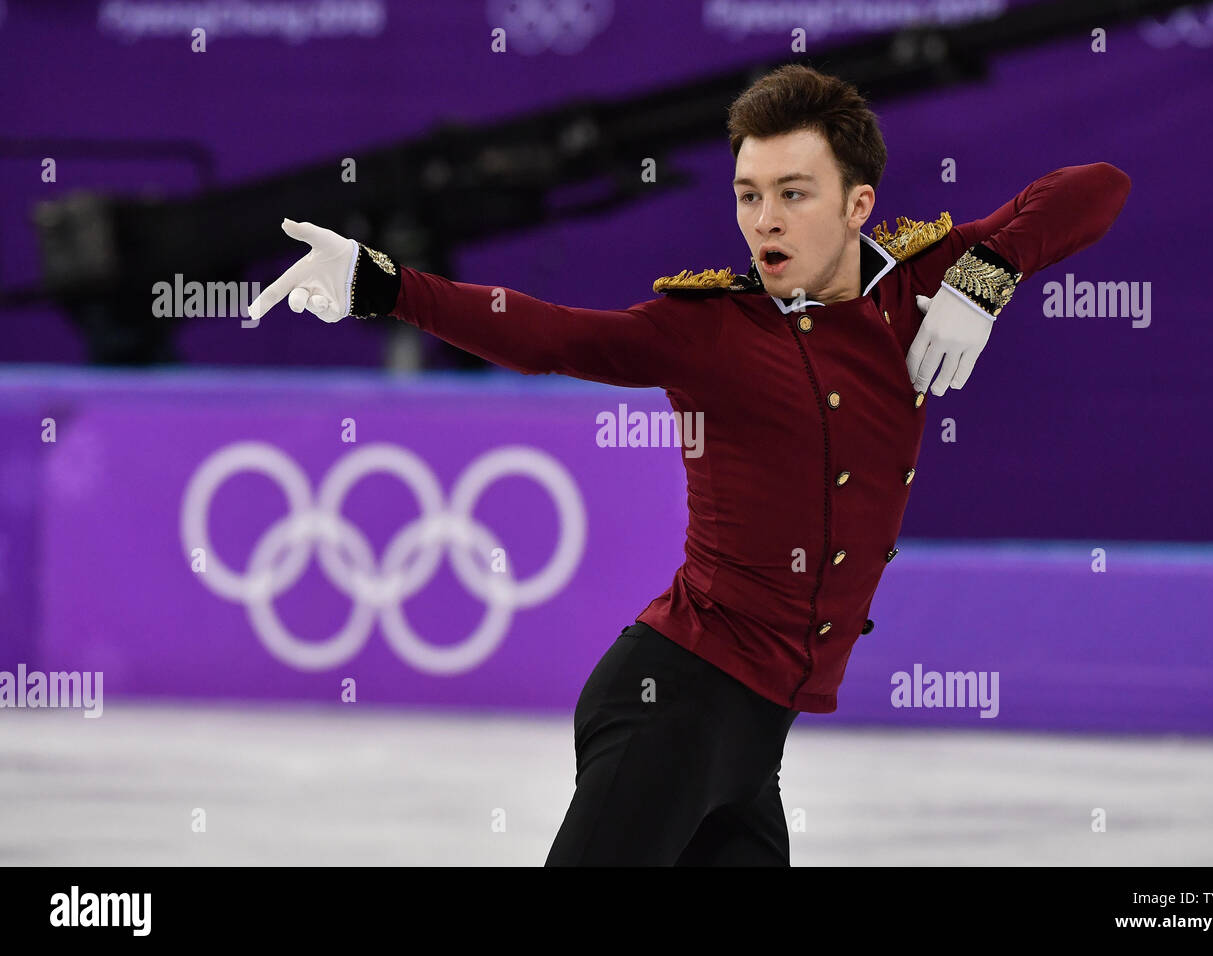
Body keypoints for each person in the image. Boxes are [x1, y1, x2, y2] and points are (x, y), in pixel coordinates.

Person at [247, 64, 1131, 865]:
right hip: (669, 705)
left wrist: (990, 272)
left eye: (793, 193)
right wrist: (386, 285)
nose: (765, 220)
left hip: (751, 741)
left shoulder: (918, 287)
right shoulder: (709, 331)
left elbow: (1097, 187)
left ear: (858, 206)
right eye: (748, 195)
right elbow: (550, 335)